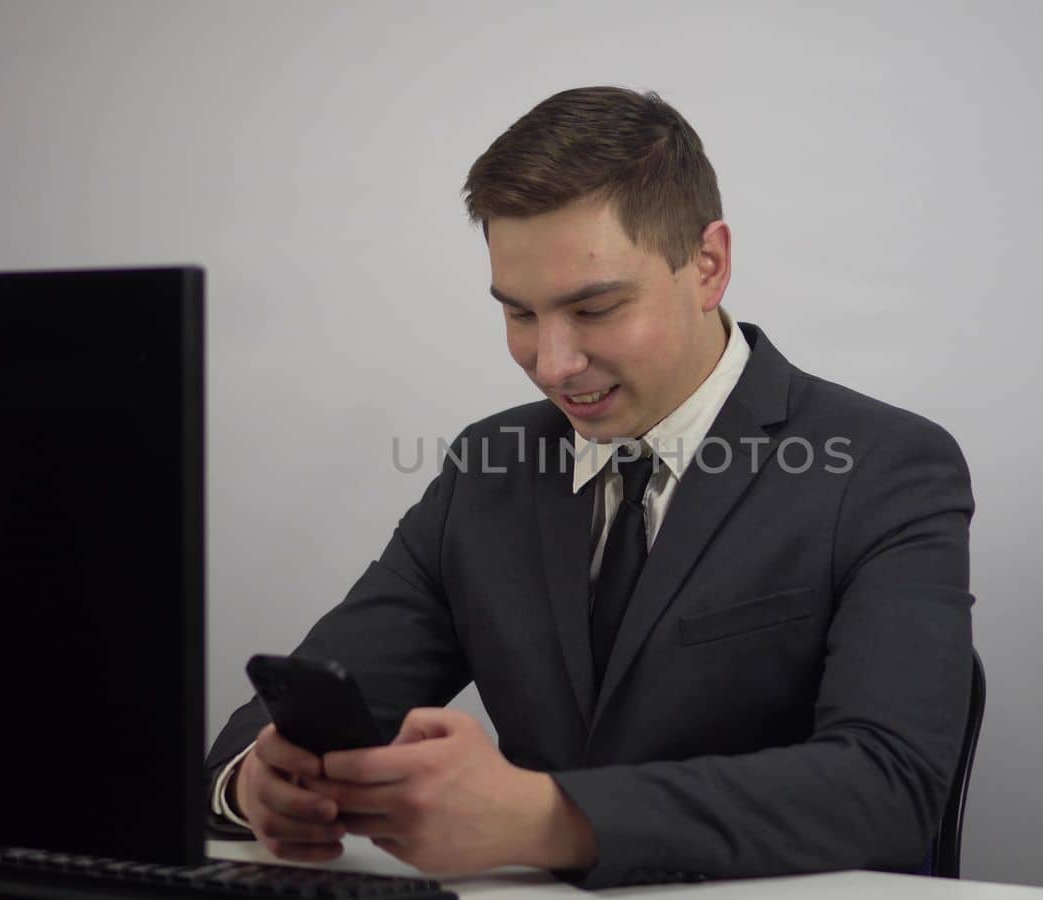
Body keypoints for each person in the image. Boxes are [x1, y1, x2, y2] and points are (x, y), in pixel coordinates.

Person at [205, 86, 976, 889]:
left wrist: (545, 818)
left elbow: (889, 786)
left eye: (595, 307)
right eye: (519, 314)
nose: (551, 363)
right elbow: (278, 716)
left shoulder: (886, 466)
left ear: (707, 265)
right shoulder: (487, 469)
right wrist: (255, 783)